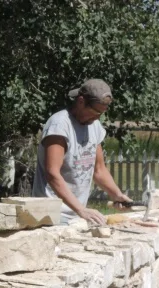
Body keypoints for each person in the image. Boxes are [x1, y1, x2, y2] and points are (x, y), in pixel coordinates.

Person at [32, 79, 132, 225]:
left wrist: (117, 195)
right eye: (95, 112)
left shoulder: (95, 126)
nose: (97, 117)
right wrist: (81, 210)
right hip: (51, 214)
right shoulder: (59, 125)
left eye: (101, 113)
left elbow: (99, 170)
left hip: (76, 214)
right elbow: (52, 173)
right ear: (80, 101)